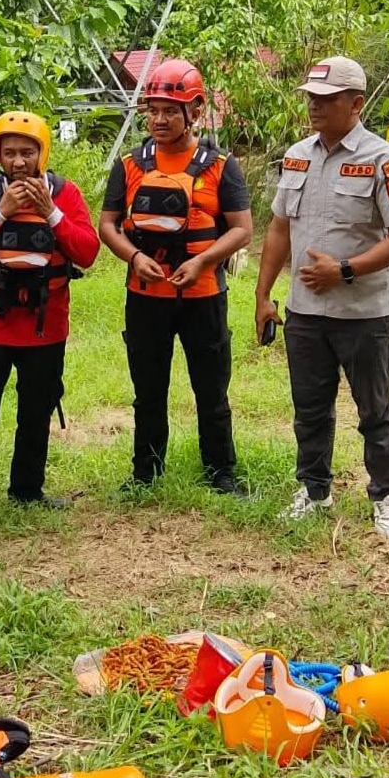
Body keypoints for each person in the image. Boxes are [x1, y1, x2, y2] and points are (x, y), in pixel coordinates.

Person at [254, 56, 389, 538]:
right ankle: (314, 489)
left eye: (325, 100)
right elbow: (279, 229)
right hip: (304, 313)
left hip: (364, 313)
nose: (314, 107)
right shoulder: (296, 155)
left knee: (376, 410)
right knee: (309, 408)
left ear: (356, 103)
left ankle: (387, 496)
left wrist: (344, 270)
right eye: (311, 98)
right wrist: (264, 295)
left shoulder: (384, 159)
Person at [98, 59, 253, 495]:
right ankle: (145, 473)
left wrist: (204, 261)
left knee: (212, 391)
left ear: (195, 111)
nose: (160, 119)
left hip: (203, 295)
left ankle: (221, 472)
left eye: (171, 110)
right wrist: (132, 257)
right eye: (153, 110)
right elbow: (107, 224)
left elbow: (243, 228)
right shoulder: (131, 164)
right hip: (145, 295)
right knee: (148, 390)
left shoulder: (221, 166)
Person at [0, 111, 100, 536]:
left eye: (27, 152)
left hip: (45, 326)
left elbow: (87, 252)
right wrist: (0, 212)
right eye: (10, 152)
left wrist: (51, 212)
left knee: (36, 410)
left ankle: (27, 489)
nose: (18, 161)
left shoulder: (65, 194)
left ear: (42, 153)